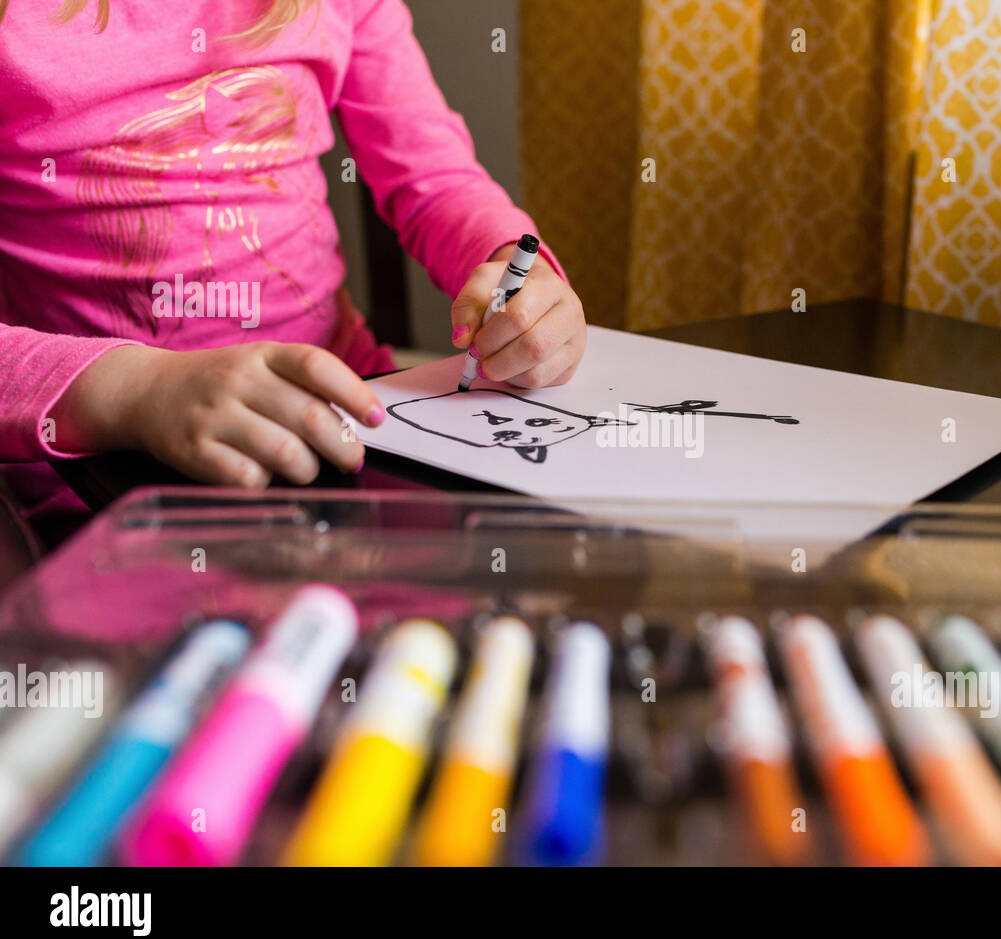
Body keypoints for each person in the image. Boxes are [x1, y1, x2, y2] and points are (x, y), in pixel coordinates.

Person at [0, 0, 586, 542]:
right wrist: (133, 392)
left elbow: (436, 180)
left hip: (357, 436)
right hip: (99, 493)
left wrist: (511, 268)